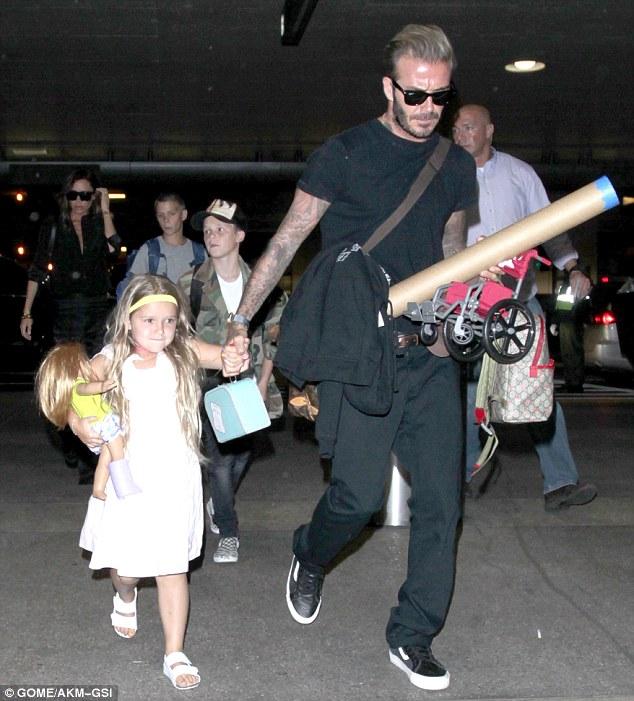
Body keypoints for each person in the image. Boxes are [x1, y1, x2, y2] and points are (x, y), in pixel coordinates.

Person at [224, 24, 478, 691]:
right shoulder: (343, 154)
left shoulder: (453, 165)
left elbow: (453, 251)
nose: (428, 108)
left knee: (442, 504)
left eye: (440, 97)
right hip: (361, 353)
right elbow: (286, 241)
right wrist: (239, 323)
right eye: (416, 95)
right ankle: (310, 552)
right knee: (358, 496)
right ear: (389, 88)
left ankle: (413, 634)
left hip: (429, 356)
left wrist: (464, 310)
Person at [73, 274, 248, 690]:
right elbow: (71, 394)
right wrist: (81, 425)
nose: (160, 330)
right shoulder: (111, 358)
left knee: (172, 568)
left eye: (169, 321)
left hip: (176, 477)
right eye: (149, 321)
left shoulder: (183, 351)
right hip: (129, 477)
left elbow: (222, 357)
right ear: (128, 320)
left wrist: (234, 356)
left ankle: (174, 652)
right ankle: (125, 596)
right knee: (127, 570)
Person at [452, 103, 597, 510]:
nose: (460, 134)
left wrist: (571, 266)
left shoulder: (520, 174)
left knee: (536, 386)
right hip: (469, 303)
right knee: (467, 392)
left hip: (519, 303)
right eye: (456, 128)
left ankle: (560, 483)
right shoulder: (447, 174)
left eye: (468, 127)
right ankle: (459, 483)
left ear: (489, 131)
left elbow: (549, 225)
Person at [179, 198, 287, 564]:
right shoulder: (190, 284)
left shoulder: (263, 283)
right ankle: (228, 531)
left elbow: (274, 336)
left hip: (251, 383)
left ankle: (217, 503)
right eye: (207, 231)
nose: (211, 236)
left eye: (220, 229)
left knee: (243, 454)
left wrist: (263, 383)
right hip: (208, 385)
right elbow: (179, 337)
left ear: (239, 235)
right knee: (221, 461)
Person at [20, 167, 122, 484]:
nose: (79, 201)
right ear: (65, 196)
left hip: (96, 311)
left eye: (86, 195)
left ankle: (90, 458)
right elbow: (37, 270)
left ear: (93, 198)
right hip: (65, 312)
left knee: (95, 380)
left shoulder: (97, 223)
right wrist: (27, 312)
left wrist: (105, 210)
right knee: (67, 383)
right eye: (74, 195)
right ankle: (69, 440)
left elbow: (115, 248)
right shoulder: (53, 226)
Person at [35, 341, 139, 501]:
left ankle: (98, 488)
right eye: (83, 361)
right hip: (103, 422)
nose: (87, 363)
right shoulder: (79, 385)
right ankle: (123, 481)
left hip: (101, 422)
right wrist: (102, 386)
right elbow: (87, 388)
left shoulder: (72, 390)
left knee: (105, 459)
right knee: (118, 449)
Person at [117, 192, 206, 294]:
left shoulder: (199, 253)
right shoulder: (149, 251)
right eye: (160, 215)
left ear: (183, 215)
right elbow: (132, 290)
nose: (166, 220)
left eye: (171, 214)